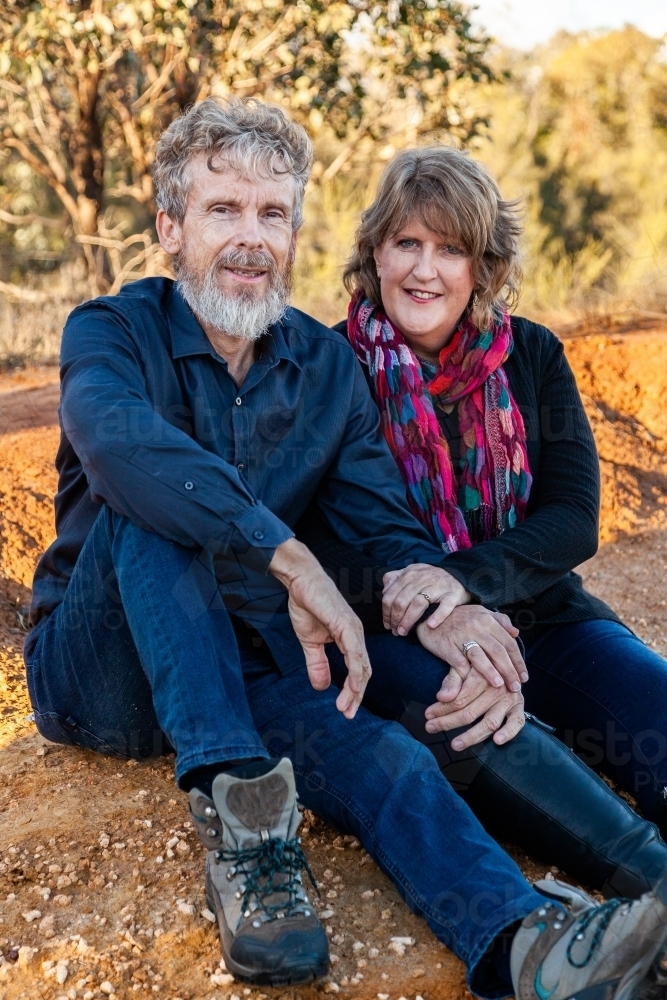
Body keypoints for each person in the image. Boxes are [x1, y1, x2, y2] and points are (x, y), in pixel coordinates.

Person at [22, 98, 667, 1000]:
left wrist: (452, 614)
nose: (250, 239)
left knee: (397, 753)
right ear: (169, 228)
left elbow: (383, 527)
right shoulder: (111, 330)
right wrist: (284, 554)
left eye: (272, 213)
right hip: (108, 676)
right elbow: (115, 439)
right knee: (155, 495)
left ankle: (529, 951)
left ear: (295, 231)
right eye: (222, 211)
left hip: (260, 661)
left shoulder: (324, 371)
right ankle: (244, 825)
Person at [297, 139, 667, 873]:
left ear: (483, 267)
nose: (424, 269)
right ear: (375, 254)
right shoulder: (326, 368)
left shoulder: (531, 353)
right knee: (488, 741)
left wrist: (463, 582)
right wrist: (449, 624)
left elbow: (570, 517)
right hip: (405, 641)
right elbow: (314, 541)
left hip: (547, 617)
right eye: (406, 243)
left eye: (450, 249)